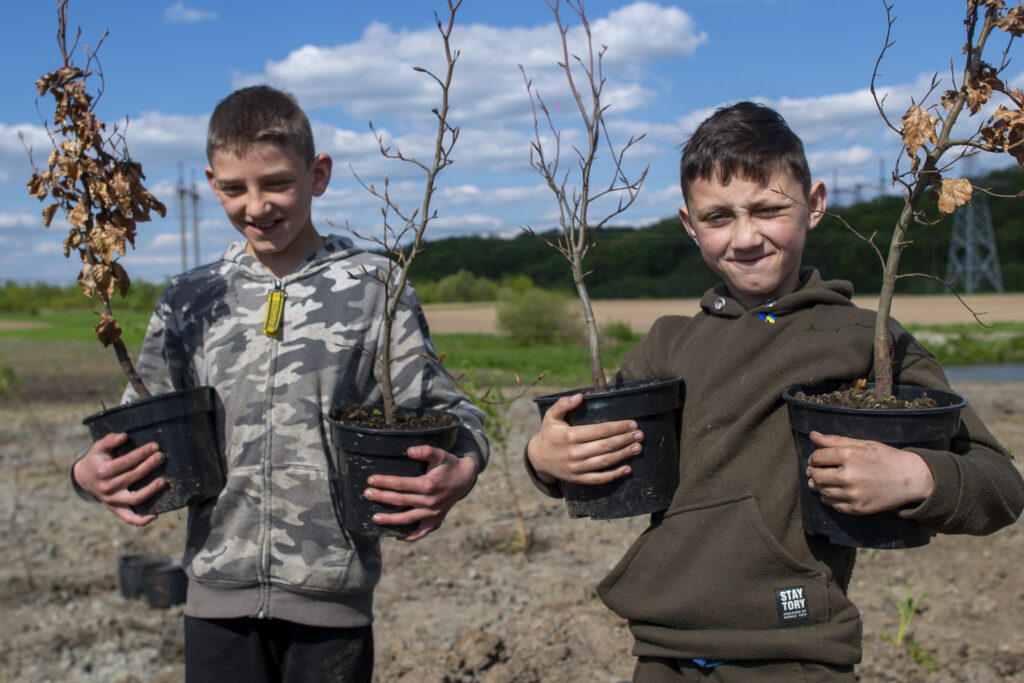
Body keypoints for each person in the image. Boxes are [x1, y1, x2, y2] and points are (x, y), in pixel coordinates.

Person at [525, 101, 1024, 682]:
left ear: (814, 206)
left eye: (768, 209)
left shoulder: (866, 341)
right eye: (717, 218)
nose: (745, 237)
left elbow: (1001, 483)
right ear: (689, 225)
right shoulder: (667, 343)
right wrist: (546, 460)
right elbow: (592, 453)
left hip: (798, 653)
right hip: (662, 655)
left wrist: (916, 477)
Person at [70, 85, 488, 682]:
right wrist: (88, 474)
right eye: (235, 189)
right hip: (214, 596)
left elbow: (448, 409)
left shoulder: (374, 287)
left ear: (317, 174)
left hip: (332, 603)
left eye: (276, 184)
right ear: (213, 182)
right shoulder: (191, 299)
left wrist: (463, 467)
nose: (256, 206)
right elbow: (139, 418)